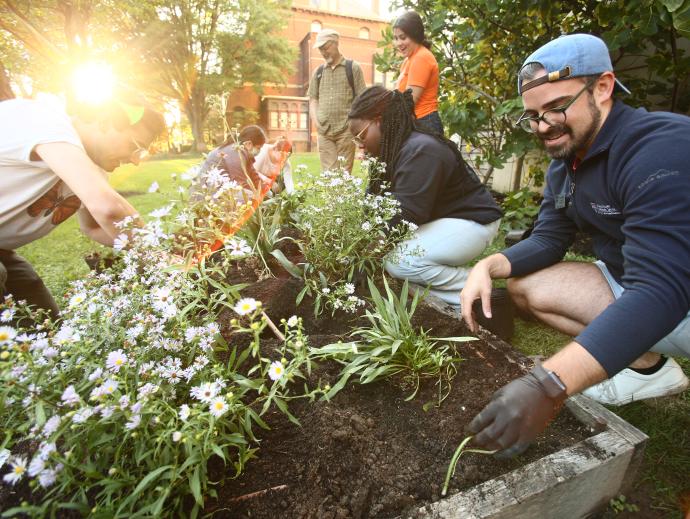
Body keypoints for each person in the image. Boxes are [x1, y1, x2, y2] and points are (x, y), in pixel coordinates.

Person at [460, 34, 690, 458]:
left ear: (602, 87)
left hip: (677, 296)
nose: (544, 126)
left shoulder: (659, 148)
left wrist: (547, 384)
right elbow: (549, 237)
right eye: (532, 115)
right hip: (636, 282)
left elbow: (662, 291)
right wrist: (488, 265)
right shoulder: (566, 164)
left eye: (557, 107)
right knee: (526, 287)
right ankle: (646, 369)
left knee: (648, 298)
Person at [0, 95, 165, 319]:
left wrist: (152, 250)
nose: (135, 160)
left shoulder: (91, 166)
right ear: (104, 120)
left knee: (45, 320)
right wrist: (160, 258)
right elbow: (107, 208)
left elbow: (94, 227)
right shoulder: (45, 121)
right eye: (135, 146)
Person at [348, 86, 502, 308]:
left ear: (380, 120)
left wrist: (366, 256)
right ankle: (451, 298)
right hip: (440, 221)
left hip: (472, 223)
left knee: (400, 262)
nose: (359, 145)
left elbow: (406, 214)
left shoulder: (422, 149)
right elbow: (374, 205)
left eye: (360, 135)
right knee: (401, 266)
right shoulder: (392, 150)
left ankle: (475, 286)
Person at [308, 28, 366, 173]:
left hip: (346, 130)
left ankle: (344, 196)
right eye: (320, 49)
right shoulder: (318, 72)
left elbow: (363, 100)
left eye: (326, 47)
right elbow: (313, 100)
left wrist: (356, 127)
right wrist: (316, 122)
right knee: (329, 175)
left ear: (336, 43)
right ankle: (333, 196)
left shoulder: (353, 68)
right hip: (324, 131)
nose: (323, 52)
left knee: (344, 174)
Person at [393, 11, 442, 135]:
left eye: (403, 38)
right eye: (396, 38)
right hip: (415, 123)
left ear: (414, 35)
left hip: (424, 123)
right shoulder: (408, 60)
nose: (398, 43)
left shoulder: (421, 57)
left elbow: (408, 102)